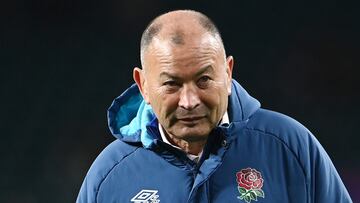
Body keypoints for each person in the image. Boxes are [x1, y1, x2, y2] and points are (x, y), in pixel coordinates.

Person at [77, 10, 352, 203]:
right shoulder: (110, 175)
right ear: (143, 85)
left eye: (204, 80)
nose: (189, 100)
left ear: (228, 73)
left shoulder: (290, 146)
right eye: (172, 84)